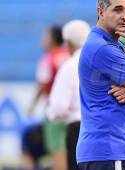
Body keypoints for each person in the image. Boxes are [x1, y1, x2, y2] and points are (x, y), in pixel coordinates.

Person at [77, 0, 125, 169]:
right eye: (118, 9)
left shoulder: (117, 46)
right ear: (101, 11)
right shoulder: (103, 47)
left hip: (116, 152)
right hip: (110, 151)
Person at [23, 26, 70, 170]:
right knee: (70, 148)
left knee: (57, 148)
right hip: (73, 110)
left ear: (52, 39)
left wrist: (32, 105)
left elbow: (42, 85)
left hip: (54, 110)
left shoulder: (48, 59)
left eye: (45, 37)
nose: (42, 41)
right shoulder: (69, 55)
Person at [46, 20, 91, 170]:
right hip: (104, 128)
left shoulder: (69, 66)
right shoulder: (102, 60)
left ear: (69, 42)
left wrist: (52, 115)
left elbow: (58, 107)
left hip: (78, 129)